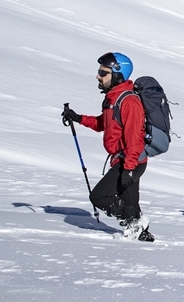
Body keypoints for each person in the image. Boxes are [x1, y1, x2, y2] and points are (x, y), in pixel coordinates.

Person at [62, 52, 153, 241]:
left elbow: (134, 140)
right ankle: (142, 238)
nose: (98, 76)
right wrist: (78, 118)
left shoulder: (129, 102)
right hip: (125, 160)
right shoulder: (112, 100)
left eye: (103, 73)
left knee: (99, 197)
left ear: (118, 73)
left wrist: (128, 170)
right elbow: (103, 124)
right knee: (130, 205)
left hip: (132, 161)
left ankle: (134, 222)